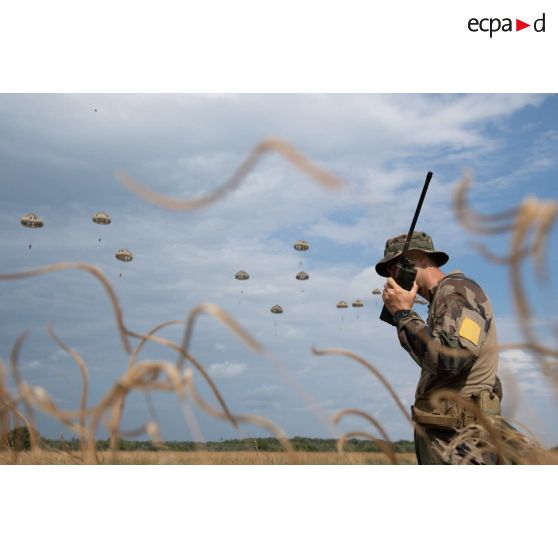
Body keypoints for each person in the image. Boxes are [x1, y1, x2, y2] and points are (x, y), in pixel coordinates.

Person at [376, 231, 502, 464]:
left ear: (420, 258)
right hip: (451, 437)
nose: (392, 276)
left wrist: (404, 315)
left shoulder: (456, 291)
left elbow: (451, 359)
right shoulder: (444, 298)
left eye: (396, 266)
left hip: (459, 441)